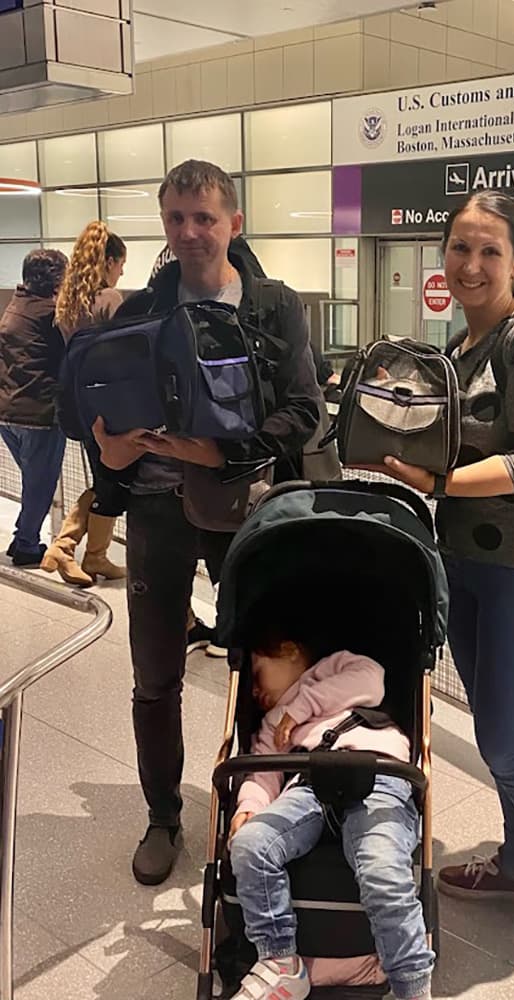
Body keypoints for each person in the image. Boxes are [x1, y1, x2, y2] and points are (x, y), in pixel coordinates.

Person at [351, 191, 514, 957]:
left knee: (506, 735)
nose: (472, 264)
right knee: (499, 730)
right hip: (463, 557)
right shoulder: (458, 351)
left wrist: (437, 485)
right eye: (460, 247)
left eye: (490, 250)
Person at [92, 159, 320, 885]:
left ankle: (272, 808)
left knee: (271, 669)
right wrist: (108, 451)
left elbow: (306, 411)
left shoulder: (274, 307)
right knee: (154, 674)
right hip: (158, 513)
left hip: (244, 507)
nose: (190, 233)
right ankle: (164, 814)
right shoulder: (139, 313)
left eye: (205, 219)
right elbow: (104, 411)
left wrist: (219, 449)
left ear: (234, 224)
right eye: (176, 219)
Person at [228, 624, 434, 1000]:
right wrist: (250, 806)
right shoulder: (271, 726)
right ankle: (280, 962)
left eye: (258, 676)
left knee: (382, 870)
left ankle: (412, 988)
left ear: (289, 650)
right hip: (307, 786)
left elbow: (371, 679)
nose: (256, 693)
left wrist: (300, 706)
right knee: (249, 845)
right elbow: (263, 770)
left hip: (377, 774)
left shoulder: (332, 670)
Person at [41, 221, 128, 586]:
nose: (122, 270)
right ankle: (66, 546)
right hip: (108, 405)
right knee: (113, 481)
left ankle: (94, 557)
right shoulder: (110, 300)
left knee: (106, 478)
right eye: (121, 262)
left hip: (76, 401)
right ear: (108, 262)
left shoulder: (67, 301)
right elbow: (123, 358)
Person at [0, 249, 69, 567]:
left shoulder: (16, 304)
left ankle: (24, 539)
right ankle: (27, 543)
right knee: (40, 483)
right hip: (38, 411)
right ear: (56, 278)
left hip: (8, 411)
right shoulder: (50, 312)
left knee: (33, 479)